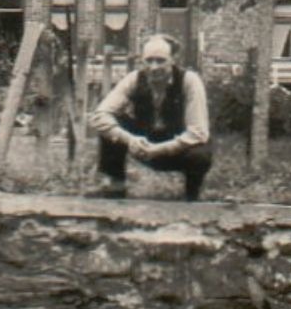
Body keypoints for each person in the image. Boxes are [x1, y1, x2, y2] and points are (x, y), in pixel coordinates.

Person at [88, 34, 212, 201]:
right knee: (113, 124)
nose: (154, 67)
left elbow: (198, 132)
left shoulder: (189, 81)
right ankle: (115, 188)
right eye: (149, 60)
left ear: (173, 60)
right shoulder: (134, 79)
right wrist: (130, 139)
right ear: (142, 61)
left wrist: (159, 150)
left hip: (177, 147)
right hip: (144, 141)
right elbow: (100, 116)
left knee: (200, 153)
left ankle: (192, 197)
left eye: (160, 60)